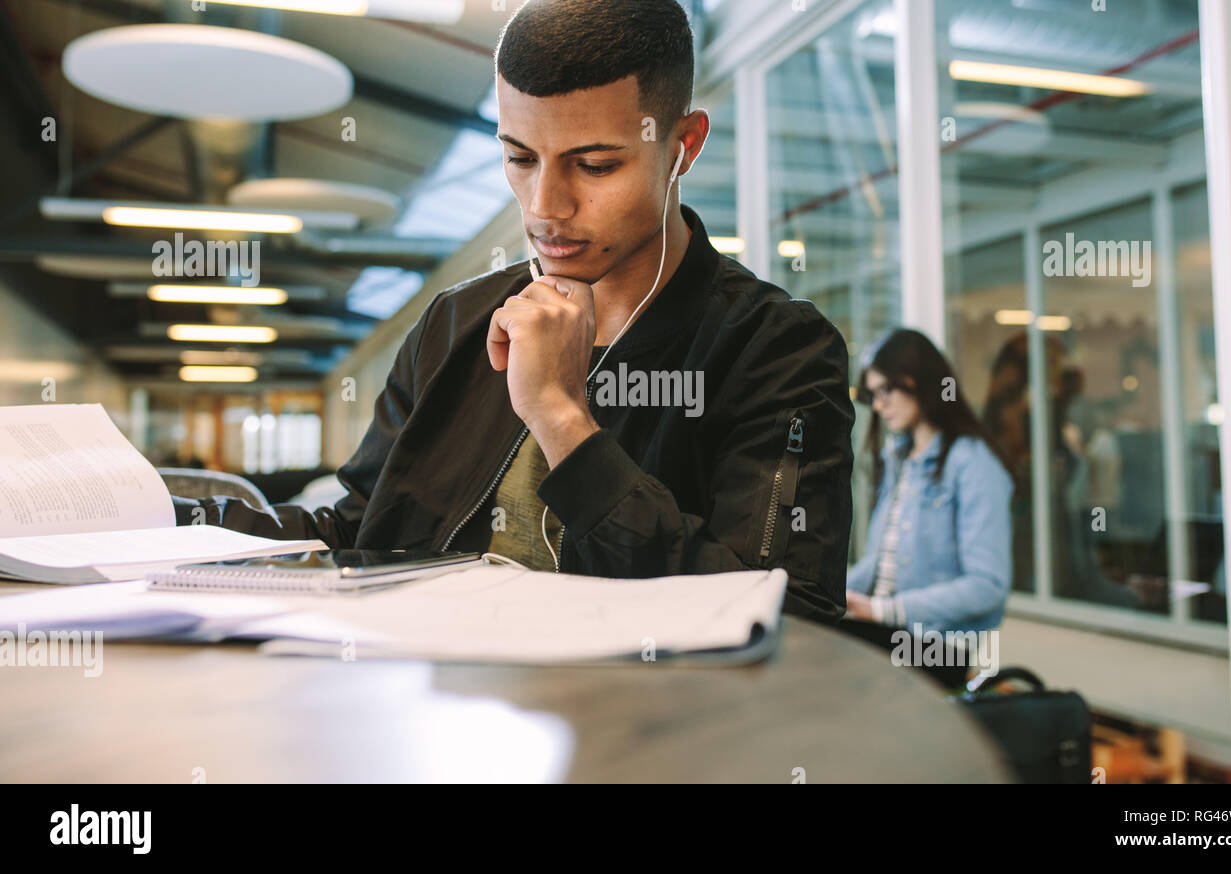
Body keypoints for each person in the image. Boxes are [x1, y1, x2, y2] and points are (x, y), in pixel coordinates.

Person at [170, 0, 855, 623]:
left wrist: (562, 420)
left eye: (594, 165)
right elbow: (358, 530)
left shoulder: (776, 349)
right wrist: (168, 520)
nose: (543, 206)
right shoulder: (455, 324)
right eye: (520, 157)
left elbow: (789, 613)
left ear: (683, 147)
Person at [846, 328, 1013, 633]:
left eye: (885, 391)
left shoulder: (972, 462)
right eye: (874, 395)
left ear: (916, 381)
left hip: (932, 643)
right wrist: (826, 594)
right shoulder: (900, 458)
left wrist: (882, 610)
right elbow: (880, 562)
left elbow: (987, 586)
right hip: (884, 627)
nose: (879, 406)